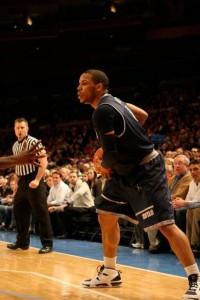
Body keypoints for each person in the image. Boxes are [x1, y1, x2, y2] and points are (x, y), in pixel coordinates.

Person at [77, 69, 200, 299]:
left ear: (99, 87)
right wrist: (124, 144)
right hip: (125, 170)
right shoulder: (116, 101)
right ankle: (110, 271)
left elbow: (110, 156)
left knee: (166, 225)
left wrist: (103, 165)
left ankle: (195, 278)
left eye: (84, 84)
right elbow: (142, 115)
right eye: (78, 84)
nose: (78, 88)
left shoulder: (102, 111)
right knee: (105, 213)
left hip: (145, 170)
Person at [7, 117, 53, 254]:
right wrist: (16, 182)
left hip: (34, 178)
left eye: (22, 127)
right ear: (14, 130)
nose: (20, 130)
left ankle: (48, 244)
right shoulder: (15, 145)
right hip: (22, 181)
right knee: (19, 211)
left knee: (41, 212)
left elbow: (44, 162)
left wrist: (38, 180)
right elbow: (17, 165)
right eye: (17, 128)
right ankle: (22, 242)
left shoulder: (33, 142)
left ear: (27, 129)